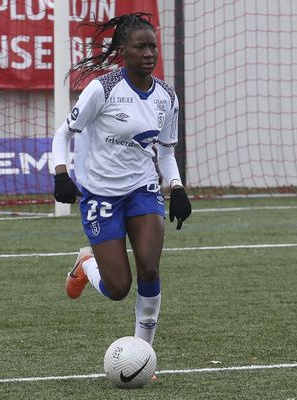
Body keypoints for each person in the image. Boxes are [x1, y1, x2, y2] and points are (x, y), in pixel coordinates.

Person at [51, 13, 192, 348]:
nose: (149, 53)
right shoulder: (103, 89)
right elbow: (63, 134)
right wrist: (61, 174)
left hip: (142, 190)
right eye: (140, 47)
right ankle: (87, 263)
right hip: (100, 195)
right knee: (118, 288)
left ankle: (144, 351)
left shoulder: (167, 97)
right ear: (122, 52)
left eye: (153, 47)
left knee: (150, 269)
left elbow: (166, 153)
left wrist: (178, 188)